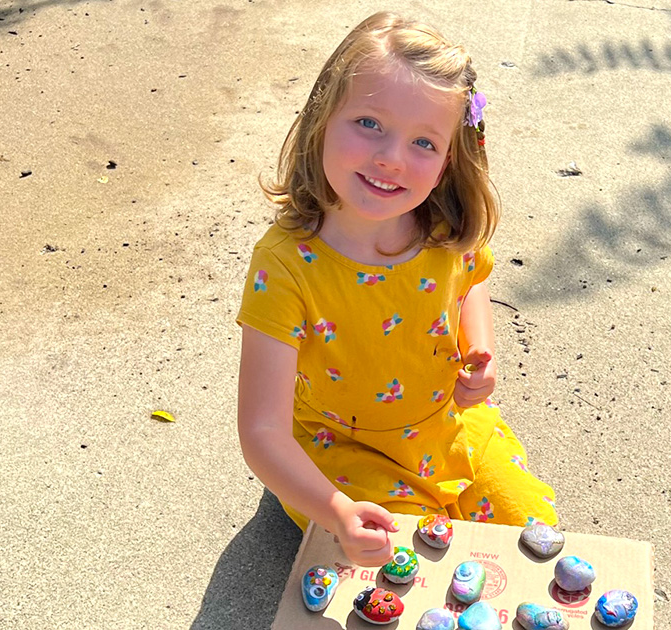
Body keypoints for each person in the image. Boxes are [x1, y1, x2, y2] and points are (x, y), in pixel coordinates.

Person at [236, 12, 558, 567]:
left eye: (423, 143)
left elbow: (469, 281)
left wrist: (481, 351)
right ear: (320, 119)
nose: (390, 157)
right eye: (368, 123)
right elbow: (262, 430)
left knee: (533, 534)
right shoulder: (286, 265)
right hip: (343, 450)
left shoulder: (442, 230)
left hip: (450, 431)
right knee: (403, 563)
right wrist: (335, 510)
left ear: (446, 162)